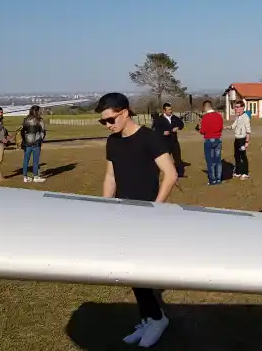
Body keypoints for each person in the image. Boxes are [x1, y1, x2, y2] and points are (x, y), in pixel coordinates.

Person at [97, 92, 177, 348]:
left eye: (110, 119)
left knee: (137, 270)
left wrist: (155, 207)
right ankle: (147, 319)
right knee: (129, 271)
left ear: (125, 112)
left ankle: (157, 319)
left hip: (146, 216)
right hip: (122, 213)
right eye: (104, 122)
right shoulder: (112, 142)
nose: (108, 126)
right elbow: (111, 176)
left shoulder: (149, 138)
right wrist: (105, 206)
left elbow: (171, 174)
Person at [154, 102, 185, 177]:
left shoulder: (174, 118)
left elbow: (181, 124)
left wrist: (178, 127)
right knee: (165, 160)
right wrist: (162, 133)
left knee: (178, 159)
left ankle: (179, 174)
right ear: (164, 111)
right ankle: (167, 174)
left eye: (171, 109)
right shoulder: (159, 119)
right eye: (168, 110)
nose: (170, 111)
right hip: (165, 143)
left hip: (174, 142)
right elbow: (155, 131)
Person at [198, 100, 224, 185]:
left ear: (206, 107)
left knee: (210, 161)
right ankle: (219, 178)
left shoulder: (205, 117)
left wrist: (199, 129)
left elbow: (203, 131)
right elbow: (220, 127)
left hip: (209, 140)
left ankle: (212, 179)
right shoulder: (219, 116)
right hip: (218, 139)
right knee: (218, 160)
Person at [20, 105, 47, 183]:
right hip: (36, 143)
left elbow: (22, 131)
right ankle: (35, 176)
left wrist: (25, 140)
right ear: (37, 111)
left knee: (26, 160)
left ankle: (25, 177)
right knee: (36, 161)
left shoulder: (25, 120)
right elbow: (43, 132)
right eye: (39, 110)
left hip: (27, 143)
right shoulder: (40, 120)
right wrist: (40, 140)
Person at [229, 100, 251, 179]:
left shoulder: (246, 117)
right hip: (237, 139)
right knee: (236, 155)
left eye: (237, 107)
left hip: (243, 139)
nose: (236, 109)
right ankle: (238, 172)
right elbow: (234, 125)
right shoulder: (238, 117)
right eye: (235, 107)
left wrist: (247, 142)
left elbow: (248, 131)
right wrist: (227, 127)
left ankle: (245, 173)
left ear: (242, 107)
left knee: (243, 156)